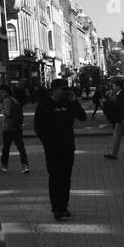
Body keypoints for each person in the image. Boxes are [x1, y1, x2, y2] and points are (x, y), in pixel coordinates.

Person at [33, 78, 86, 221]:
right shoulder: (44, 105)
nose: (66, 91)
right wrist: (46, 143)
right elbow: (38, 127)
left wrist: (74, 101)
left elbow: (82, 117)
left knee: (66, 177)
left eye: (67, 89)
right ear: (55, 89)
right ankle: (56, 208)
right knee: (55, 177)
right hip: (52, 148)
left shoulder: (69, 102)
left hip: (68, 146)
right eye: (63, 89)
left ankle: (64, 206)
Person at [0, 85, 30, 174]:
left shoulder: (6, 100)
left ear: (7, 92)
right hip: (17, 127)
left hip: (8, 127)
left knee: (6, 148)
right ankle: (25, 165)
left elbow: (8, 114)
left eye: (3, 92)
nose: (1, 94)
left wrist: (2, 111)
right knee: (21, 147)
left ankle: (4, 165)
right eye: (1, 92)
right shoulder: (14, 100)